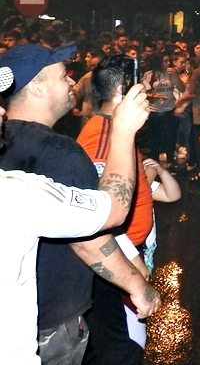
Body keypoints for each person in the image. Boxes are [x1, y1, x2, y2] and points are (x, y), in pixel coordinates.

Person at [0, 43, 159, 364]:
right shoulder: (60, 153)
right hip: (50, 319)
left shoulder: (11, 146)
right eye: (62, 76)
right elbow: (95, 231)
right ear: (38, 88)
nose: (72, 81)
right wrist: (136, 284)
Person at [78, 55, 182, 364]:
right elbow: (98, 216)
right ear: (123, 92)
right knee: (122, 351)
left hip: (125, 256)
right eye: (144, 88)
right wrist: (134, 264)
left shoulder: (114, 131)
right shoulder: (101, 139)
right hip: (117, 261)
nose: (150, 96)